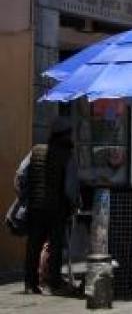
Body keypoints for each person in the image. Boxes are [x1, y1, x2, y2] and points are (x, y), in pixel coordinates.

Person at [21, 117, 78, 294]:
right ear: (67, 135)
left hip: (35, 207)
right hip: (56, 208)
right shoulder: (67, 156)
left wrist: (26, 198)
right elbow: (70, 188)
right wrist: (74, 204)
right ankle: (54, 283)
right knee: (55, 246)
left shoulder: (35, 150)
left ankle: (30, 284)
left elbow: (21, 175)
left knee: (33, 245)